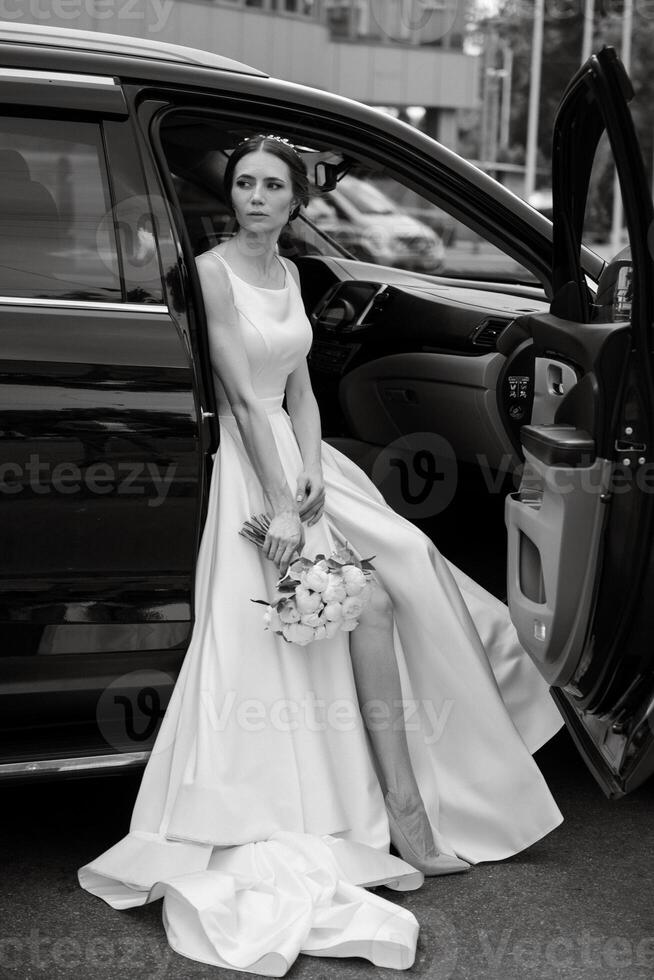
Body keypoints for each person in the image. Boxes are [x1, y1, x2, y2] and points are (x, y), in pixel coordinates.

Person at [78, 133, 564, 975]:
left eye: (272, 186)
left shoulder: (294, 274)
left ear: (297, 200)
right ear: (230, 196)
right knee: (356, 607)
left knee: (411, 565)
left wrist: (309, 470)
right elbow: (239, 390)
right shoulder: (212, 271)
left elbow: (301, 387)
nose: (256, 197)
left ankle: (445, 783)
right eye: (244, 184)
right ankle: (403, 816)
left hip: (305, 463)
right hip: (251, 465)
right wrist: (278, 501)